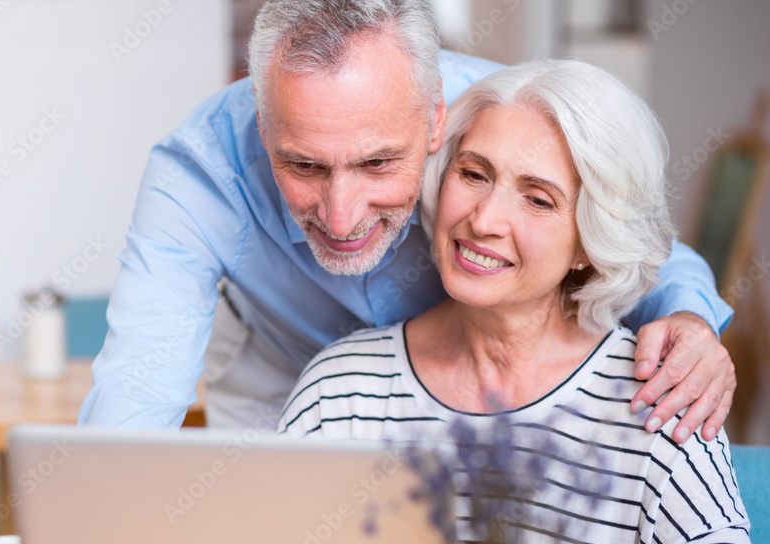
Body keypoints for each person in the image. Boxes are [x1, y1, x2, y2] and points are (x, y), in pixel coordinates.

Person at [277, 59, 770, 544]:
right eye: (473, 174)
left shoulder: (663, 397)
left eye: (537, 199)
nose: (483, 220)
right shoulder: (340, 390)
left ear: (590, 241)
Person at [78, 0, 735, 445]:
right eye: (302, 166)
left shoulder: (494, 116)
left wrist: (688, 318)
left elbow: (634, 242)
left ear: (435, 121)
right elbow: (133, 397)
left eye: (377, 163)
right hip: (285, 371)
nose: (342, 217)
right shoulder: (196, 171)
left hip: (470, 372)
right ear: (261, 118)